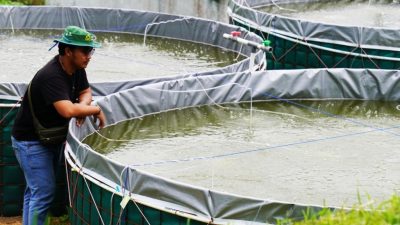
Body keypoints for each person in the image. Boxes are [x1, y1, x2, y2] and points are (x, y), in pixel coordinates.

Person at [11, 26, 106, 225]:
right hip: (31, 142)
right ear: (68, 50)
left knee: (35, 191)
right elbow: (67, 111)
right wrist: (94, 110)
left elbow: (86, 92)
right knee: (43, 193)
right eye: (85, 51)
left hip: (48, 138)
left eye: (91, 51)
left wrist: (83, 105)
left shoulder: (76, 68)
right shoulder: (51, 75)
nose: (89, 56)